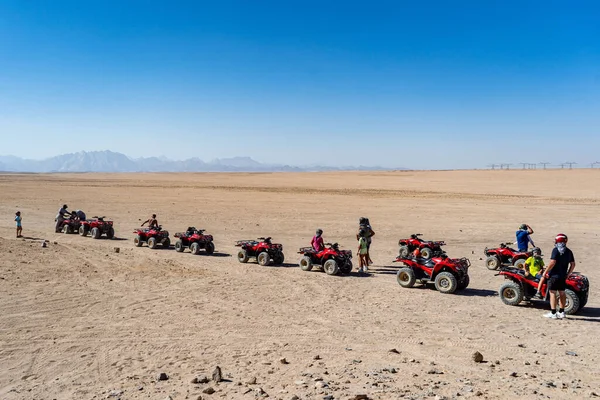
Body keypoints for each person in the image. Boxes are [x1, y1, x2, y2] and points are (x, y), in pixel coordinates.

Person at [543, 234, 576, 319]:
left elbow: (552, 262)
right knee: (562, 293)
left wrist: (546, 271)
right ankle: (562, 311)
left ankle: (553, 313)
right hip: (562, 276)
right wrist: (568, 274)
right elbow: (573, 264)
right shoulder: (569, 251)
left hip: (554, 275)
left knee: (552, 293)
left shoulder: (556, 250)